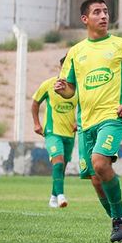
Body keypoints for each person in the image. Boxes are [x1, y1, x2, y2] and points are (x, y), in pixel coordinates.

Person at [54, 0, 122, 243]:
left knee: (100, 163)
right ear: (85, 19)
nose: (104, 16)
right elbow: (70, 90)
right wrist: (61, 89)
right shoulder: (76, 53)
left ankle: (120, 222)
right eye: (97, 12)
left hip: (113, 117)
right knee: (96, 180)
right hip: (86, 123)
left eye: (106, 11)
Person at [32, 57, 78, 208]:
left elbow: (85, 107)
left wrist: (80, 121)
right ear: (59, 68)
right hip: (52, 131)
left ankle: (53, 197)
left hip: (70, 133)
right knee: (58, 163)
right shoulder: (48, 85)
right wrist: (37, 123)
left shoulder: (78, 88)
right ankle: (61, 196)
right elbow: (35, 102)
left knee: (62, 167)